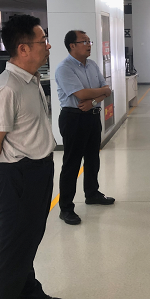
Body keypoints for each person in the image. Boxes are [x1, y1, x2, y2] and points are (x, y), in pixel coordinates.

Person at [0, 15, 60, 299]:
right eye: (42, 41)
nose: (48, 46)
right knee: (13, 250)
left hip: (37, 171)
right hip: (19, 178)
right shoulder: (6, 88)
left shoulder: (30, 79)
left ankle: (28, 292)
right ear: (23, 49)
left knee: (28, 242)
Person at [55, 30, 114, 226]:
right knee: (72, 163)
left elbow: (107, 89)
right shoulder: (64, 68)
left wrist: (94, 100)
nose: (89, 45)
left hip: (92, 115)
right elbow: (81, 94)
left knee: (92, 158)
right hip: (73, 118)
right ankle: (66, 208)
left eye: (89, 41)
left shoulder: (92, 65)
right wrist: (99, 93)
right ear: (72, 45)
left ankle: (92, 193)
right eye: (84, 41)